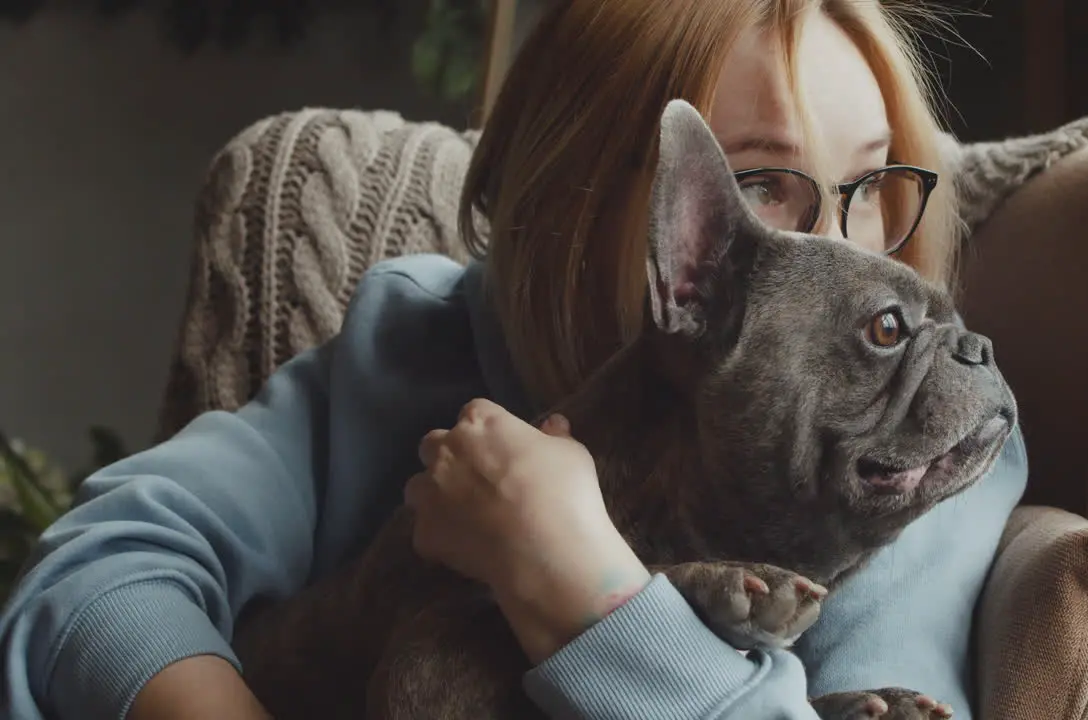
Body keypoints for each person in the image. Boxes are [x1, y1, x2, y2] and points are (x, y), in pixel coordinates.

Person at [0, 1, 1034, 718]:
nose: (840, 253)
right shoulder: (421, 342)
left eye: (874, 182)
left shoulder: (909, 462)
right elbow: (99, 570)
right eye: (760, 185)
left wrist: (581, 590)